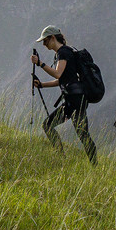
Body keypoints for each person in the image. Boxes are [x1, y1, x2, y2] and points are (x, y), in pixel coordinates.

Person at [32, 26, 96, 164]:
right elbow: (62, 79)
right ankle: (92, 164)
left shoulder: (63, 53)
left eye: (45, 41)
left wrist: (40, 63)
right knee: (82, 134)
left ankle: (63, 157)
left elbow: (57, 74)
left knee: (49, 126)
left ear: (53, 38)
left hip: (74, 100)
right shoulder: (66, 52)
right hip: (76, 98)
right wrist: (42, 85)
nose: (44, 44)